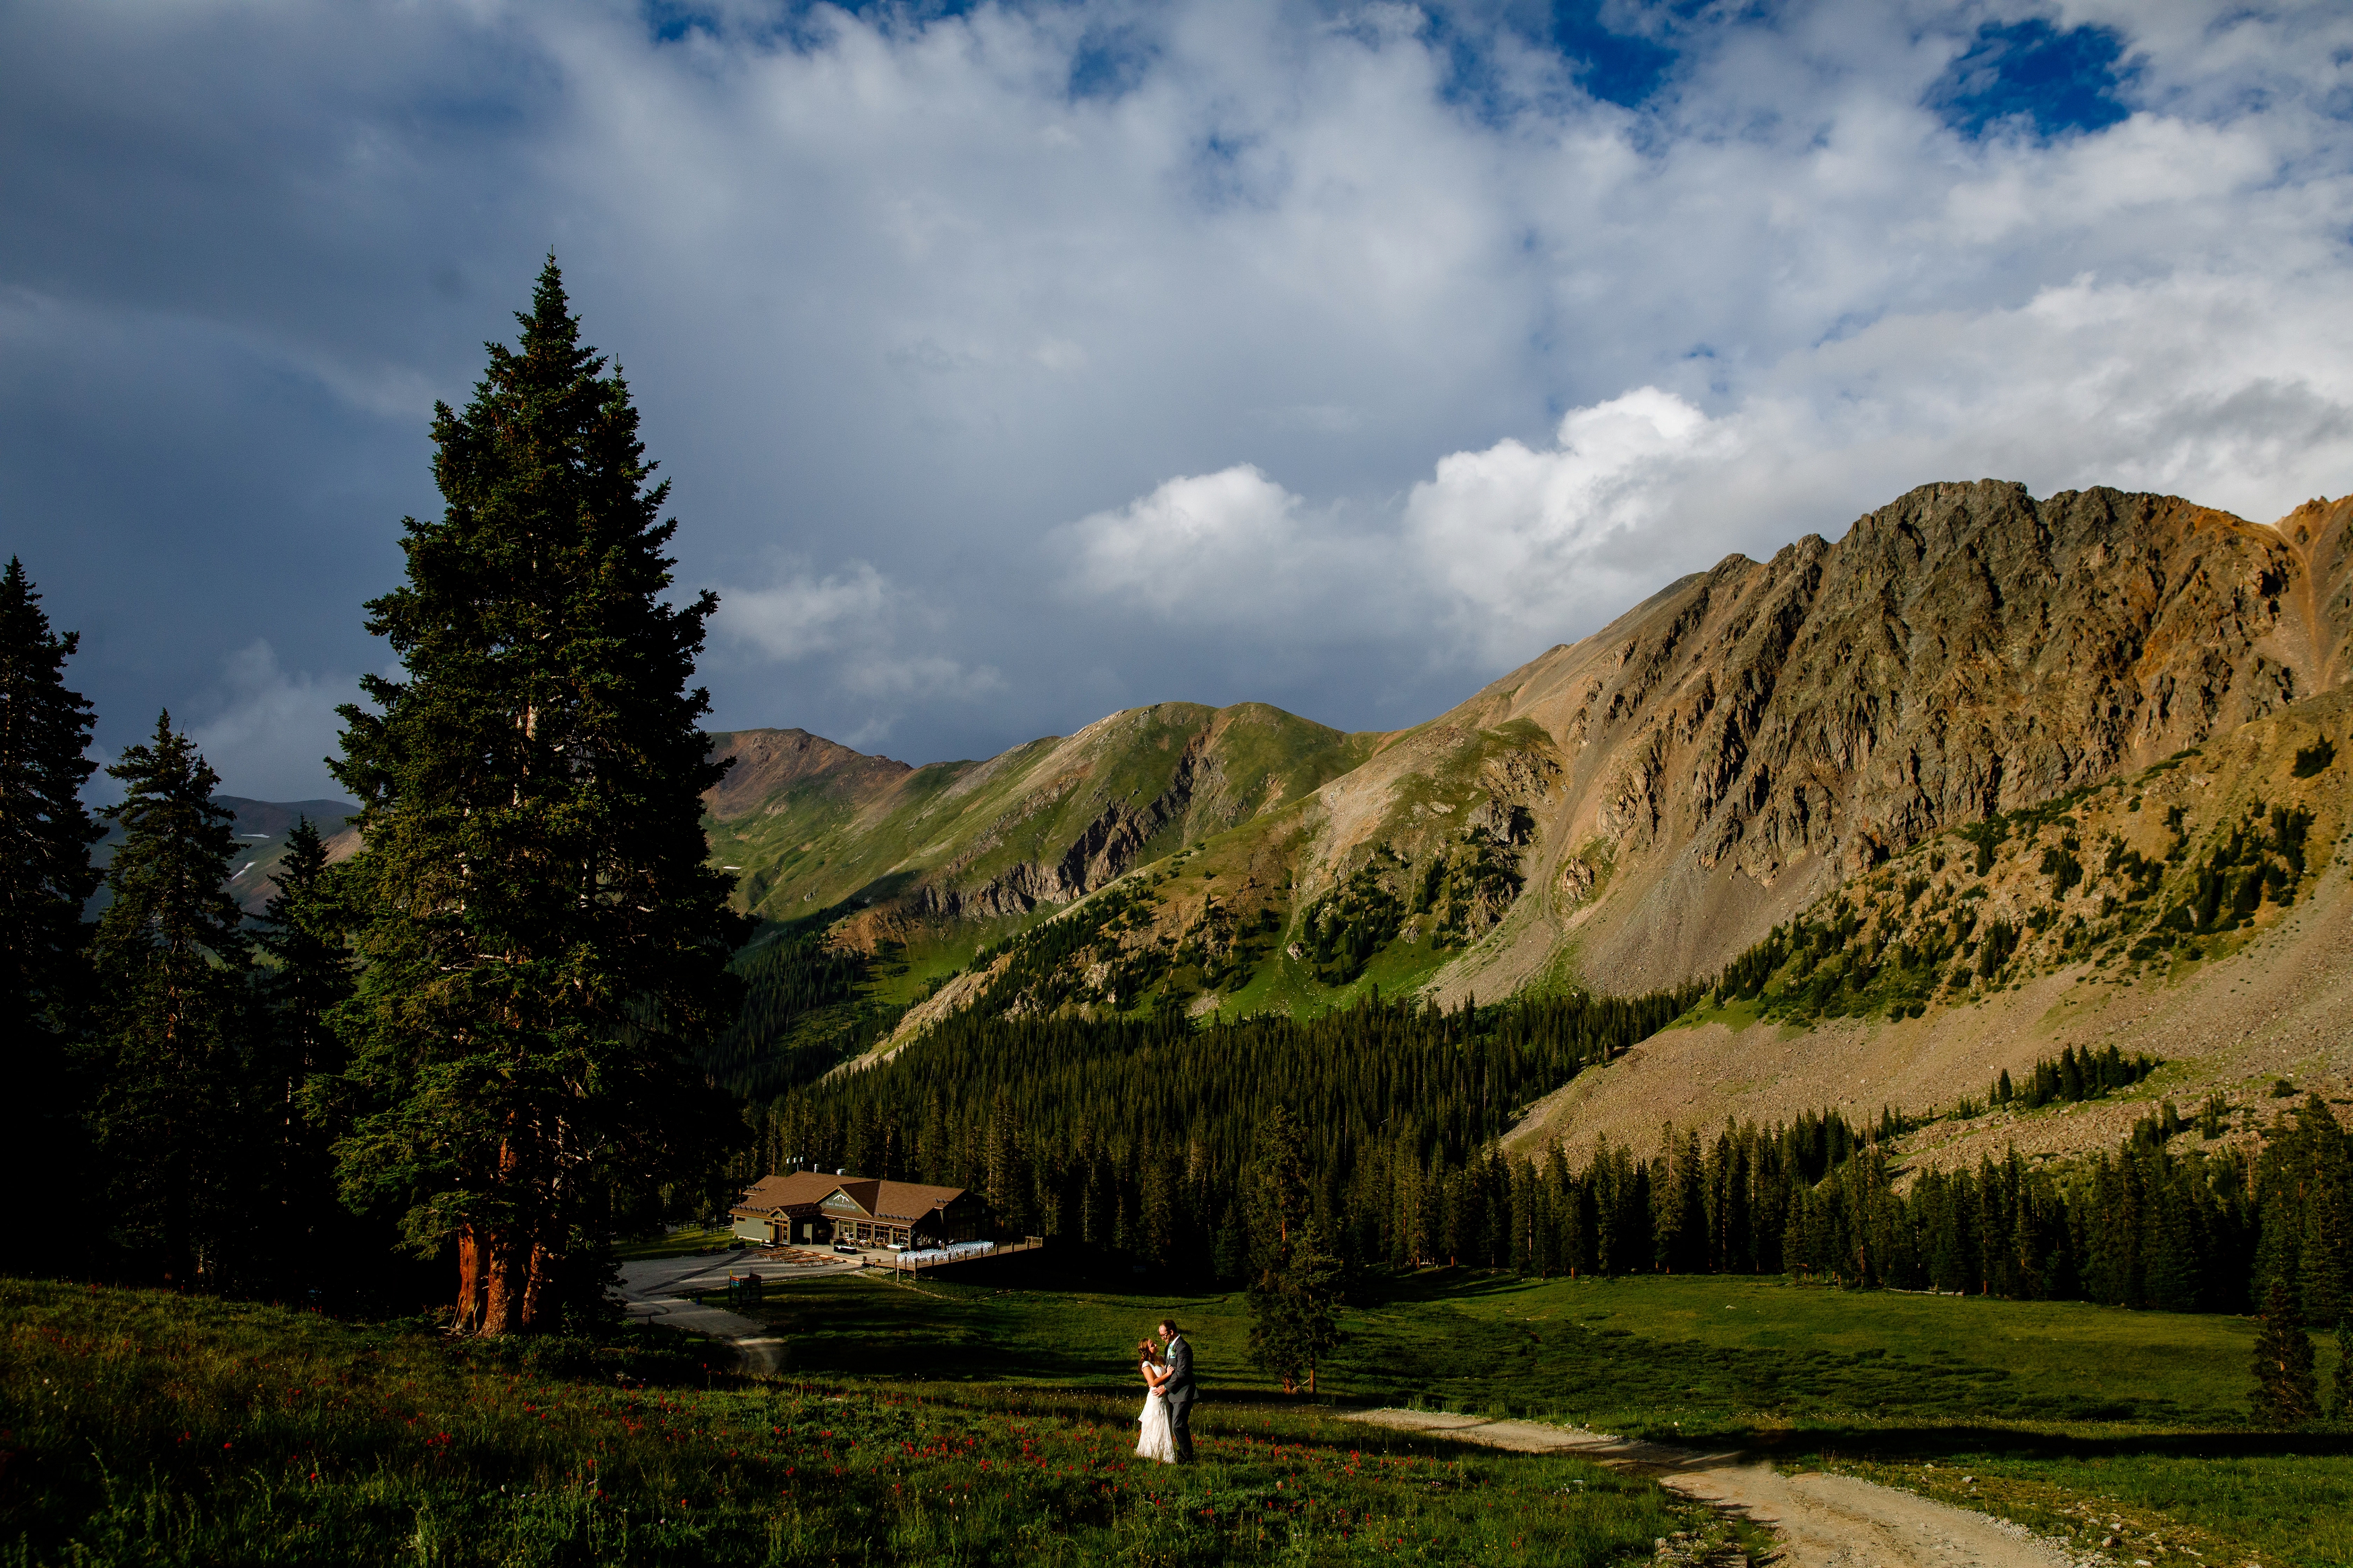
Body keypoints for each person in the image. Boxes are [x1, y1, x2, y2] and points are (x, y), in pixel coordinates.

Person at [1156, 1318, 1195, 1463]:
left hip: (1183, 1393)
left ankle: (1188, 1457)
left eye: (1164, 1335)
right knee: (1175, 1425)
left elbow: (1182, 1373)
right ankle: (1183, 1454)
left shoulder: (1183, 1348)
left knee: (1178, 1424)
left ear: (1171, 1332)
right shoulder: (1169, 1347)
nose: (1162, 1338)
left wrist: (1165, 1387)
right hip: (1173, 1395)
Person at [1133, 1339, 1176, 1462]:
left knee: (1164, 1423)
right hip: (1155, 1397)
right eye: (1152, 1345)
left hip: (1164, 1396)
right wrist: (1167, 1375)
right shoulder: (1146, 1364)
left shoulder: (1162, 1359)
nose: (1156, 1345)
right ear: (1148, 1351)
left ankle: (1162, 1452)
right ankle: (1151, 1452)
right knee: (1155, 1424)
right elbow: (1152, 1382)